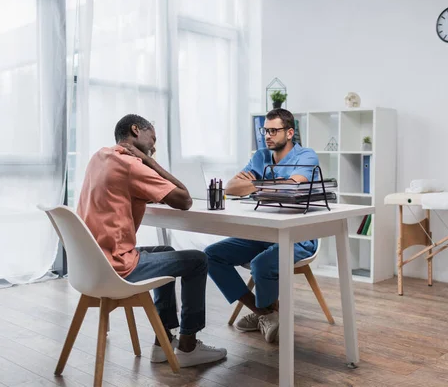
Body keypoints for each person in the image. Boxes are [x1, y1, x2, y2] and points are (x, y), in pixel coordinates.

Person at [76, 114, 227, 367]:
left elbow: (124, 191)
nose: (154, 147)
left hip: (92, 264)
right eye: (152, 139)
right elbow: (184, 200)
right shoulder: (130, 164)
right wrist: (147, 161)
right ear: (136, 130)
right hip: (117, 267)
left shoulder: (99, 157)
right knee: (198, 260)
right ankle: (189, 346)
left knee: (166, 250)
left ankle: (162, 341)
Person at [204, 108, 319, 343]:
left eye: (273, 131)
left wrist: (255, 183)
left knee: (260, 264)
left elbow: (292, 186)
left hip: (298, 236)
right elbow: (231, 188)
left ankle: (265, 312)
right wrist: (268, 184)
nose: (267, 135)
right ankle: (263, 313)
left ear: (289, 133)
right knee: (210, 256)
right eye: (265, 130)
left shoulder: (306, 155)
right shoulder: (260, 156)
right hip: (262, 232)